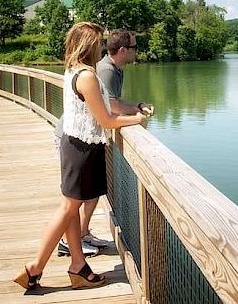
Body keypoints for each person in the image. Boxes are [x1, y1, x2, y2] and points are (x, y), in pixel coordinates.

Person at [14, 22, 147, 290]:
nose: (101, 47)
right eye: (98, 43)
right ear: (89, 45)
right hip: (82, 151)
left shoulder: (73, 70)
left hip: (75, 145)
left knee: (71, 209)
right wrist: (137, 118)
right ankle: (35, 267)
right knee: (67, 209)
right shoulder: (87, 76)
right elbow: (107, 120)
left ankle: (78, 266)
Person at [54, 29, 154, 257]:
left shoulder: (113, 69)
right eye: (134, 47)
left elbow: (112, 105)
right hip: (76, 138)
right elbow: (111, 111)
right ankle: (64, 246)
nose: (136, 51)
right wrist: (137, 118)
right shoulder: (103, 71)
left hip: (85, 138)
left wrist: (137, 105)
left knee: (88, 195)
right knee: (74, 201)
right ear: (123, 50)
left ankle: (82, 234)